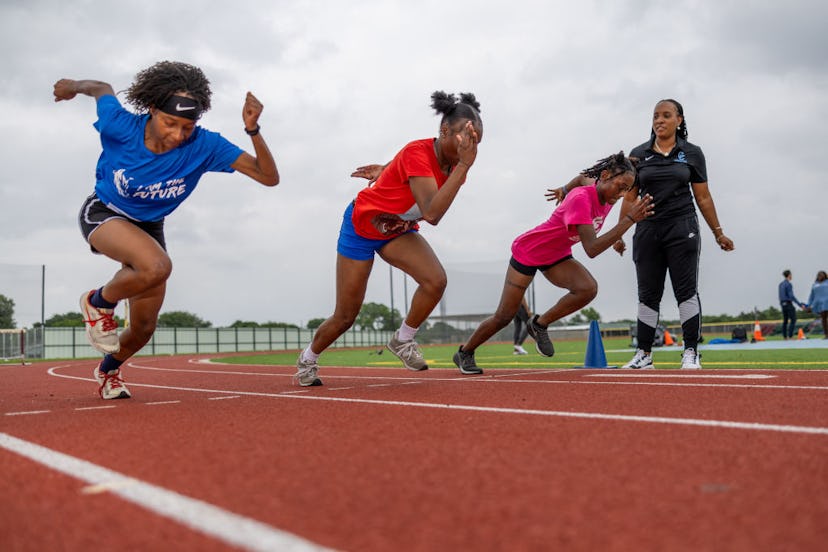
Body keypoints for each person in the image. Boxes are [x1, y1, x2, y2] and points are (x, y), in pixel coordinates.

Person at [54, 61, 279, 399]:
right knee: (157, 266)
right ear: (152, 109)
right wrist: (72, 85)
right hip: (104, 212)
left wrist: (253, 130)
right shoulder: (120, 125)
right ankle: (97, 302)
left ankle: (108, 370)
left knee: (143, 327)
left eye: (187, 127)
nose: (178, 135)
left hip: (149, 228)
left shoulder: (204, 146)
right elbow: (101, 87)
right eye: (170, 123)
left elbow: (268, 176)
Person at [294, 91, 482, 386]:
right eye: (464, 138)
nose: (470, 146)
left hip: (395, 230)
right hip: (362, 226)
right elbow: (432, 214)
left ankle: (403, 340)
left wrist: (388, 170)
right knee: (346, 316)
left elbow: (416, 183)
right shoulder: (427, 156)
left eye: (475, 141)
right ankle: (308, 358)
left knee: (436, 281)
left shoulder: (454, 165)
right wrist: (464, 166)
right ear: (444, 131)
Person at [549, 99, 734, 370]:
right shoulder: (639, 154)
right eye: (656, 116)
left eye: (666, 115)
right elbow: (628, 195)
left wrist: (718, 233)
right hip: (647, 229)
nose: (659, 120)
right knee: (648, 294)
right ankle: (644, 354)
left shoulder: (692, 153)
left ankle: (691, 352)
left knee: (686, 291)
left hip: (682, 227)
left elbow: (703, 197)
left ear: (679, 120)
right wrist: (621, 232)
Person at [453, 152, 653, 375]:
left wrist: (563, 189)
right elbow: (592, 249)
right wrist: (629, 220)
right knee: (504, 316)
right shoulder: (581, 200)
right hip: (529, 251)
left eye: (627, 189)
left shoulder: (604, 192)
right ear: (605, 176)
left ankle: (539, 324)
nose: (622, 194)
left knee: (587, 288)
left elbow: (580, 178)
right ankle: (465, 352)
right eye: (620, 186)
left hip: (556, 255)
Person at [778, 269, 805, 339]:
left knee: (785, 320)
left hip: (782, 304)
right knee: (793, 319)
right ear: (789, 275)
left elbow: (780, 295)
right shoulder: (788, 284)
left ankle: (785, 337)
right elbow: (791, 296)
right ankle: (790, 336)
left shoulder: (780, 284)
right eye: (791, 275)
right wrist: (800, 304)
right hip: (788, 303)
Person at [806, 271, 828, 339]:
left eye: (821, 275)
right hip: (820, 304)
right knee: (823, 319)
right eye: (818, 275)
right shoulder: (814, 284)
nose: (820, 276)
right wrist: (808, 305)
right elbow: (811, 296)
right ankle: (826, 335)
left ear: (825, 276)